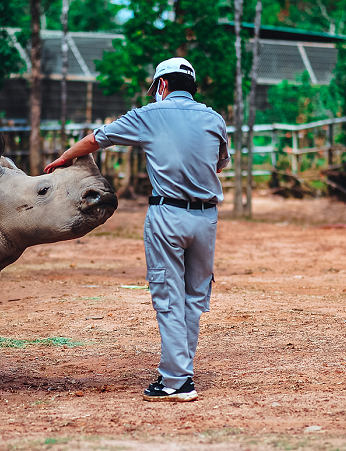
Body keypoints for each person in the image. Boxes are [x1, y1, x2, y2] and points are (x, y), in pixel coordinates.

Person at [45, 57, 230, 402]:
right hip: (206, 219)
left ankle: (177, 381)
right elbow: (218, 163)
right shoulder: (214, 119)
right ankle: (178, 370)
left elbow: (95, 140)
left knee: (168, 297)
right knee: (192, 299)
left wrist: (62, 159)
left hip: (168, 215)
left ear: (162, 85)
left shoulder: (149, 115)